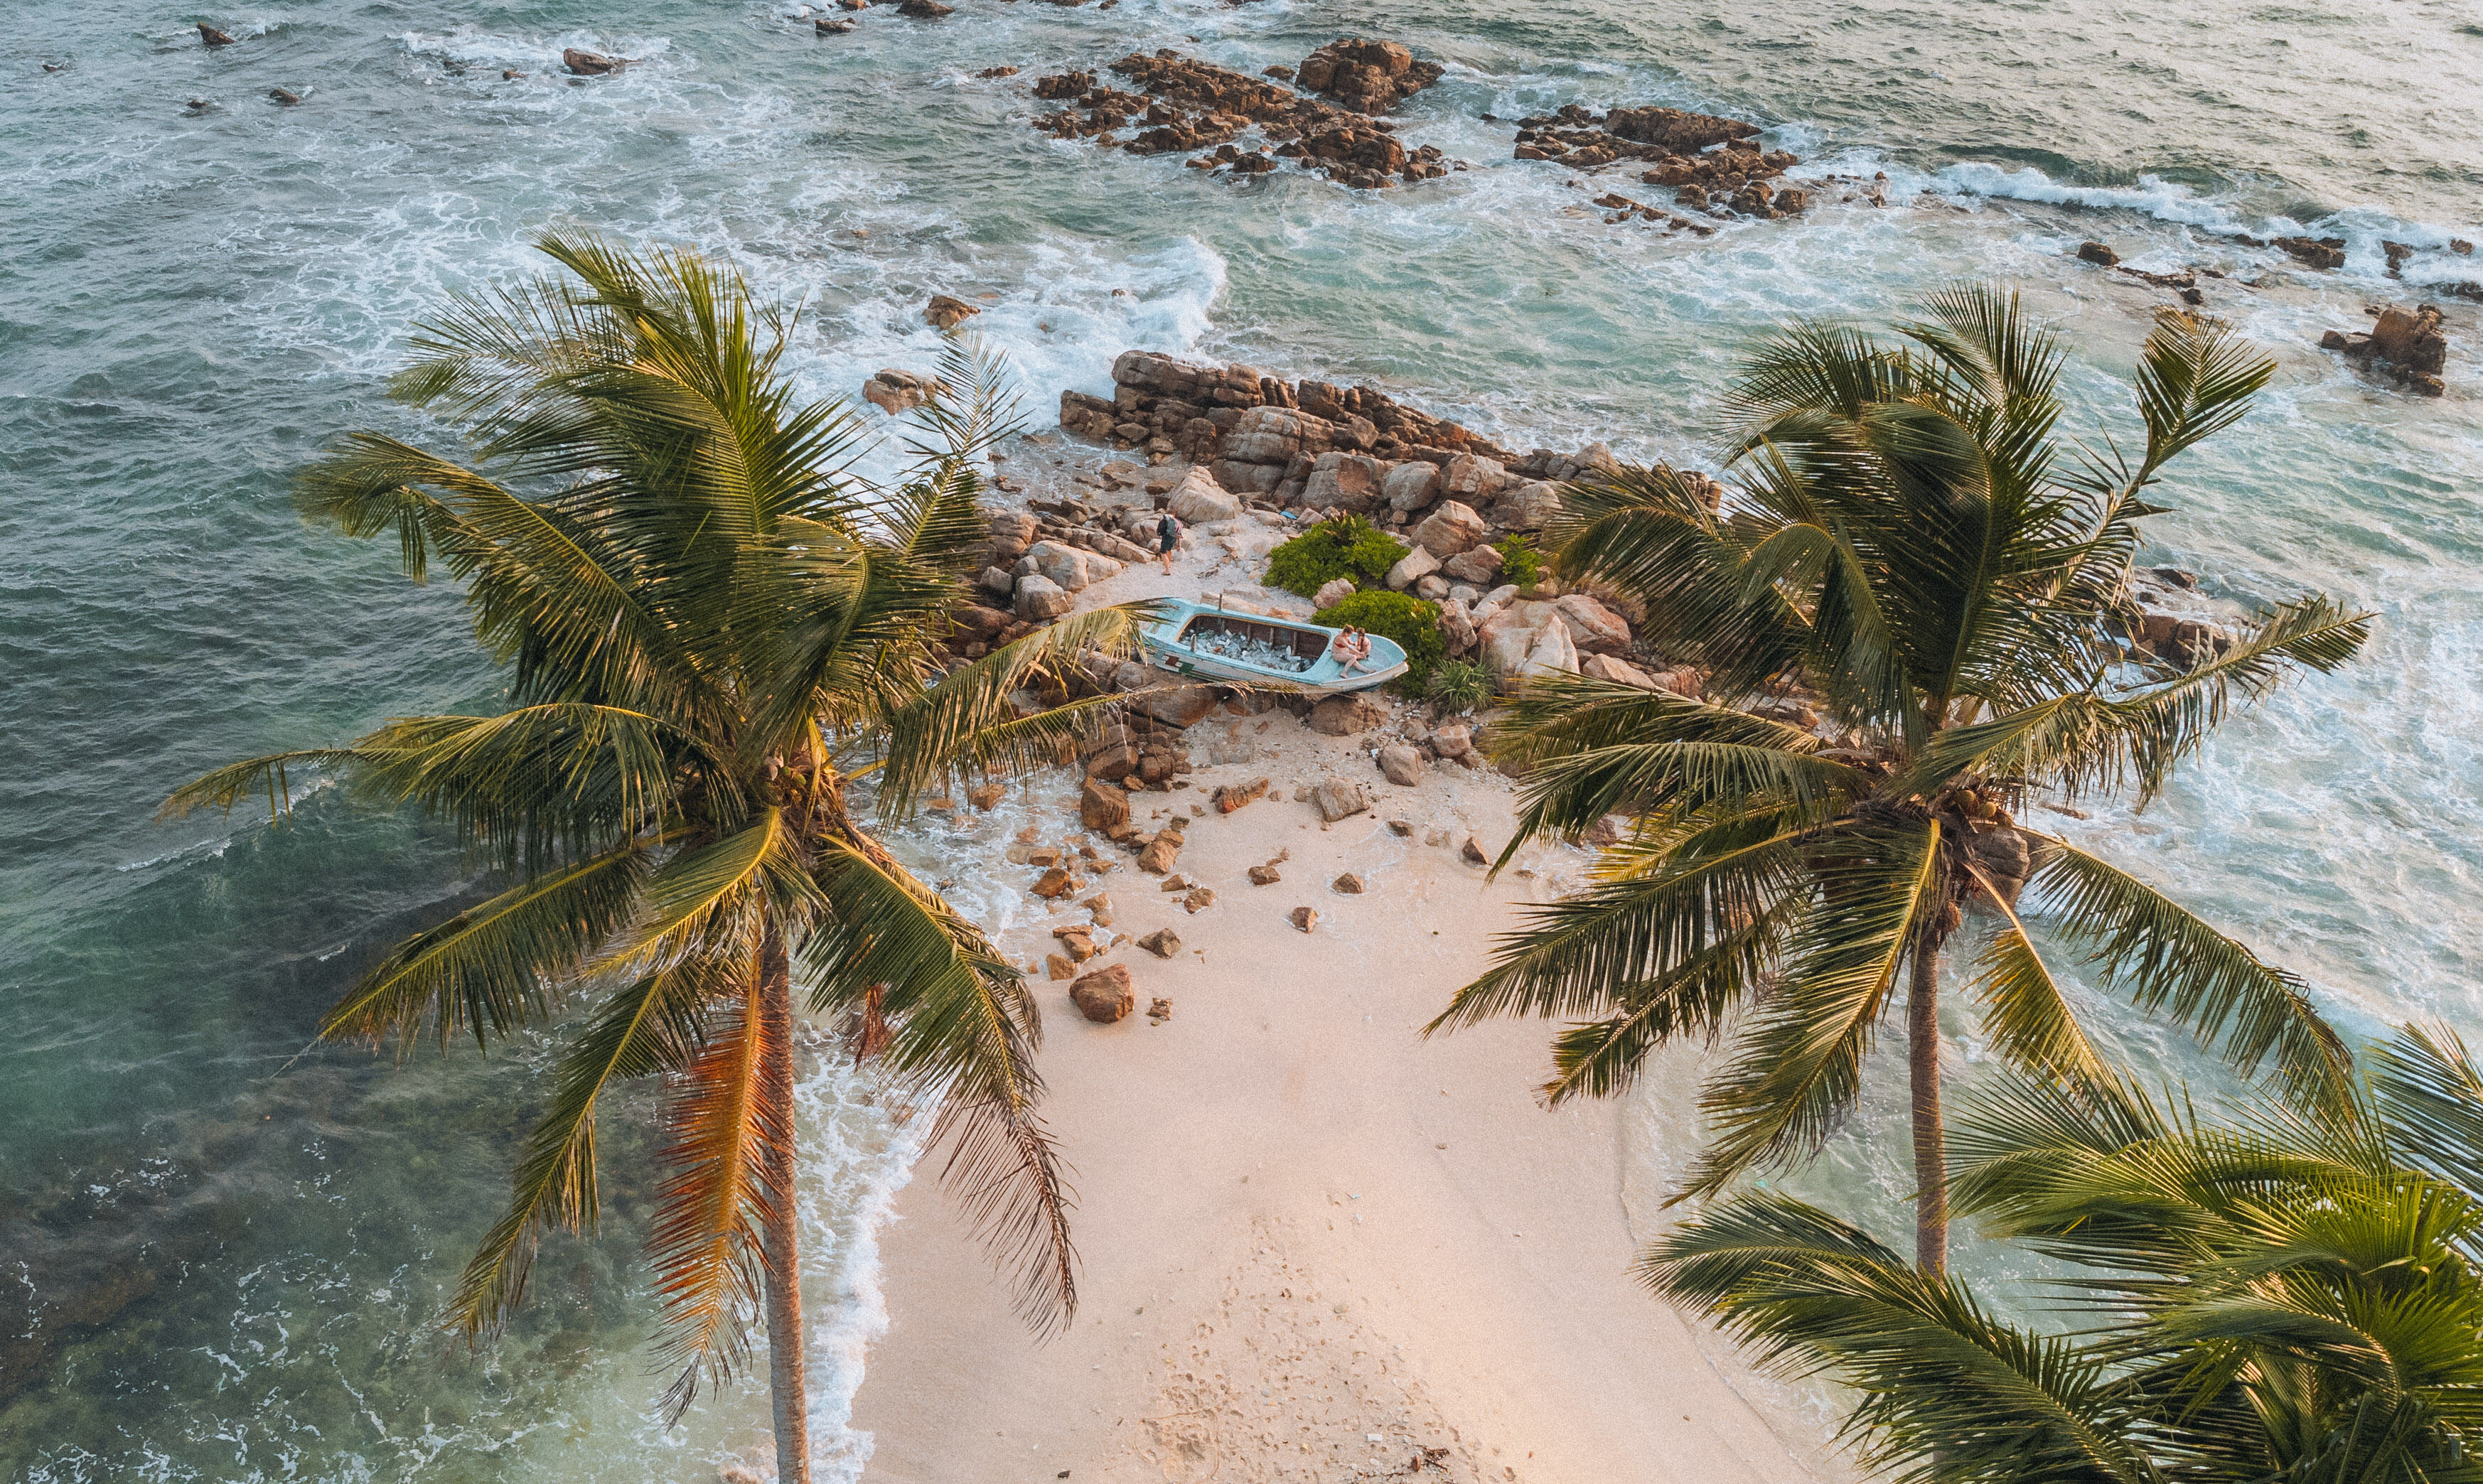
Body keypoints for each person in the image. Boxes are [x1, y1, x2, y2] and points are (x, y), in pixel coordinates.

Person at [1156, 509, 1181, 575]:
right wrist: (1179, 545)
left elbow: (1160, 529)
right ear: (1173, 514)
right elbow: (1180, 534)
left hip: (1167, 537)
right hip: (1174, 537)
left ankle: (1167, 570)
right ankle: (1168, 564)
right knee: (1169, 550)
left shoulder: (1165, 519)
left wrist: (1160, 534)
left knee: (1163, 552)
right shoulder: (1176, 521)